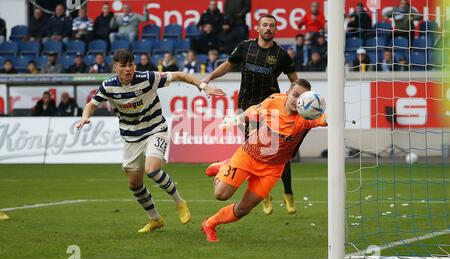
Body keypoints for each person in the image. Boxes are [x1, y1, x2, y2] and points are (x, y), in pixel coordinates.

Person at [76, 48, 226, 233]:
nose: (128, 69)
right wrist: (85, 117)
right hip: (131, 138)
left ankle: (180, 202)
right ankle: (155, 219)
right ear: (115, 68)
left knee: (152, 169)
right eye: (123, 66)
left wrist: (204, 86)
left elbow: (180, 75)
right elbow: (91, 105)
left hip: (156, 129)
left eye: (131, 64)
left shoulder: (148, 77)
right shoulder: (108, 86)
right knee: (134, 184)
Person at [201, 79, 328, 242]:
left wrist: (332, 118)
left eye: (303, 97)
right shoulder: (274, 101)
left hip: (272, 169)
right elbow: (254, 111)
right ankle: (223, 167)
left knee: (243, 209)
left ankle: (209, 224)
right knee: (220, 195)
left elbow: (324, 119)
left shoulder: (307, 116)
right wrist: (237, 119)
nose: (298, 101)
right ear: (287, 93)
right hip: (248, 156)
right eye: (295, 95)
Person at [202, 14, 299, 215]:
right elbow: (228, 64)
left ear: (276, 29)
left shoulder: (281, 55)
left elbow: (294, 79)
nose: (268, 28)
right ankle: (264, 195)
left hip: (273, 109)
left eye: (272, 25)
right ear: (258, 27)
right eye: (265, 25)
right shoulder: (245, 47)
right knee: (255, 152)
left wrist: (295, 99)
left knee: (279, 153)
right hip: (247, 108)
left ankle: (288, 194)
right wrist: (210, 77)